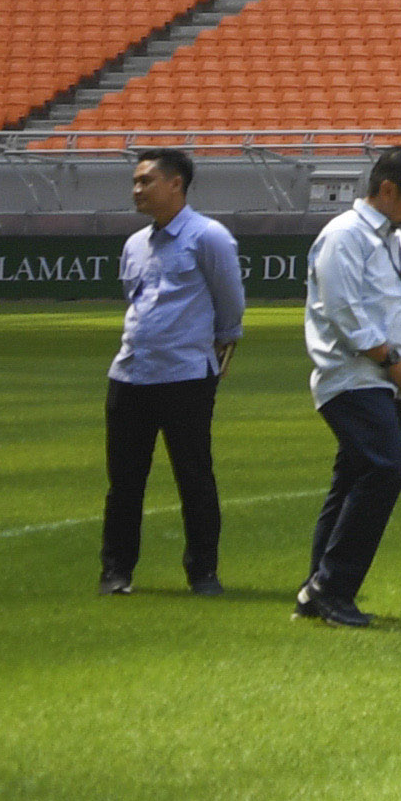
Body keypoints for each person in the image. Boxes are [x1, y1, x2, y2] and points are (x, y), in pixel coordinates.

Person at [294, 144, 401, 629]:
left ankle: (317, 588)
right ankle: (332, 587)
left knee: (354, 478)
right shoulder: (344, 235)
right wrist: (394, 359)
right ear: (387, 189)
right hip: (352, 376)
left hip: (389, 379)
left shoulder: (399, 242)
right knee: (386, 468)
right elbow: (342, 310)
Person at [102, 146, 243, 597]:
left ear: (176, 184)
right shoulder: (134, 244)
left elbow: (230, 303)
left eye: (146, 181)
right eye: (136, 181)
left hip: (186, 377)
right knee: (124, 483)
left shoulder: (209, 237)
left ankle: (203, 572)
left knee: (195, 477)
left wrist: (222, 345)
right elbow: (134, 299)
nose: (137, 189)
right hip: (130, 375)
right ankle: (116, 572)